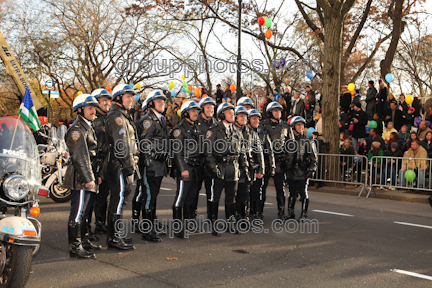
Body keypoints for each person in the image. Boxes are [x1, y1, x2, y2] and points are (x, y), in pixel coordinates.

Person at [103, 84, 140, 250]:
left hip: (122, 163)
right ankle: (113, 237)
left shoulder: (123, 116)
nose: (131, 100)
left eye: (131, 97)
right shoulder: (116, 117)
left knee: (121, 200)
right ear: (118, 98)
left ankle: (115, 234)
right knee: (118, 200)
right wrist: (128, 165)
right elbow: (121, 144)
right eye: (127, 97)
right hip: (119, 164)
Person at [64, 94, 101, 259]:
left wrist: (96, 176)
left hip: (88, 175)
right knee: (78, 212)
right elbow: (80, 157)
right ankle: (75, 246)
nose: (93, 111)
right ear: (80, 110)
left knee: (85, 212)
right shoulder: (77, 130)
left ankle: (83, 240)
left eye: (94, 107)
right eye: (89, 108)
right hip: (80, 178)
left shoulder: (87, 126)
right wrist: (88, 178)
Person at [204, 102, 245, 236]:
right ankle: (213, 224)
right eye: (229, 112)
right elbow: (208, 152)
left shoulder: (237, 131)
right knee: (214, 198)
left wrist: (243, 167)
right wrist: (214, 169)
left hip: (233, 169)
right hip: (219, 168)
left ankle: (230, 224)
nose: (232, 114)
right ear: (222, 115)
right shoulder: (213, 130)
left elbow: (241, 151)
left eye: (233, 112)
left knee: (231, 198)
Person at [135, 90, 169, 242]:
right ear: (150, 104)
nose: (162, 103)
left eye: (163, 101)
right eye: (159, 101)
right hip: (150, 166)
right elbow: (145, 143)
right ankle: (147, 231)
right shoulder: (148, 120)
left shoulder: (160, 120)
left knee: (153, 196)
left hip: (158, 165)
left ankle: (152, 224)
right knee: (148, 197)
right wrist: (151, 159)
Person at [170, 100, 202, 238]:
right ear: (185, 113)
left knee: (191, 198)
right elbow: (177, 152)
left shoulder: (195, 128)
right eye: (193, 111)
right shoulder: (179, 130)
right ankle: (177, 228)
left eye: (196, 111)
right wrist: (183, 169)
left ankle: (188, 224)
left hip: (196, 169)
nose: (196, 113)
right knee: (180, 198)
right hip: (186, 168)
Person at [259, 102, 291, 220]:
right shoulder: (262, 125)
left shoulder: (286, 127)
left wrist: (287, 161)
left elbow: (290, 145)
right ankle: (259, 212)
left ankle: (281, 212)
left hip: (279, 161)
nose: (278, 113)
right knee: (262, 187)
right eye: (275, 111)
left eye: (279, 111)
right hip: (266, 161)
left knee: (280, 188)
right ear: (270, 112)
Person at [233, 106, 264, 225]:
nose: (244, 118)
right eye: (241, 116)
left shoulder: (251, 133)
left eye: (245, 116)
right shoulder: (231, 131)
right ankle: (234, 218)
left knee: (245, 194)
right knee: (234, 195)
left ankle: (244, 218)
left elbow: (259, 153)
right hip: (234, 169)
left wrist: (260, 169)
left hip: (247, 170)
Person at [285, 116, 317, 221]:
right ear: (293, 127)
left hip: (302, 170)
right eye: (298, 125)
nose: (301, 127)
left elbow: (313, 158)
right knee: (292, 193)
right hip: (291, 171)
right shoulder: (288, 140)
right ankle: (290, 213)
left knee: (303, 193)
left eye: (302, 125)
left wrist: (311, 170)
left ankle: (304, 214)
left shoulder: (307, 141)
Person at [90, 88, 112, 235]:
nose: (107, 103)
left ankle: (100, 223)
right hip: (96, 163)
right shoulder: (93, 120)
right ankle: (86, 228)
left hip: (107, 163)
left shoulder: (108, 118)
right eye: (103, 100)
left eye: (108, 100)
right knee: (91, 198)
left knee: (103, 196)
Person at [247, 109, 275, 219]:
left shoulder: (263, 134)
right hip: (247, 168)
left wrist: (271, 167)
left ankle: (258, 212)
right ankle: (247, 213)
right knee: (247, 193)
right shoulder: (244, 133)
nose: (256, 121)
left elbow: (269, 152)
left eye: (258, 119)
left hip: (259, 168)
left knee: (258, 192)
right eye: (254, 118)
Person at [194, 97, 218, 219]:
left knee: (211, 192)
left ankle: (211, 218)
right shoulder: (195, 121)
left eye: (212, 107)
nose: (210, 109)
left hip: (210, 163)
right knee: (194, 192)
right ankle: (191, 218)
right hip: (197, 163)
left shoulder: (216, 123)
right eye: (208, 107)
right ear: (202, 108)